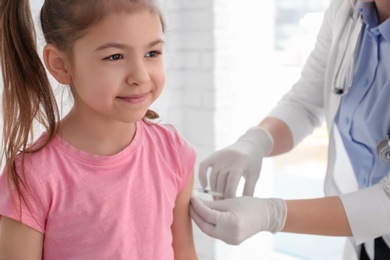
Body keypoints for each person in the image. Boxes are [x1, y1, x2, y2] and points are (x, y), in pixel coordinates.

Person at [190, 0, 390, 259]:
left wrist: (272, 215)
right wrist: (255, 142)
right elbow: (305, 104)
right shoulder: (345, 11)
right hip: (364, 238)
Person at [0, 0, 198, 259]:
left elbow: (184, 253)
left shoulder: (173, 152)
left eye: (152, 53)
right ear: (61, 64)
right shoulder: (34, 178)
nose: (140, 76)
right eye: (115, 56)